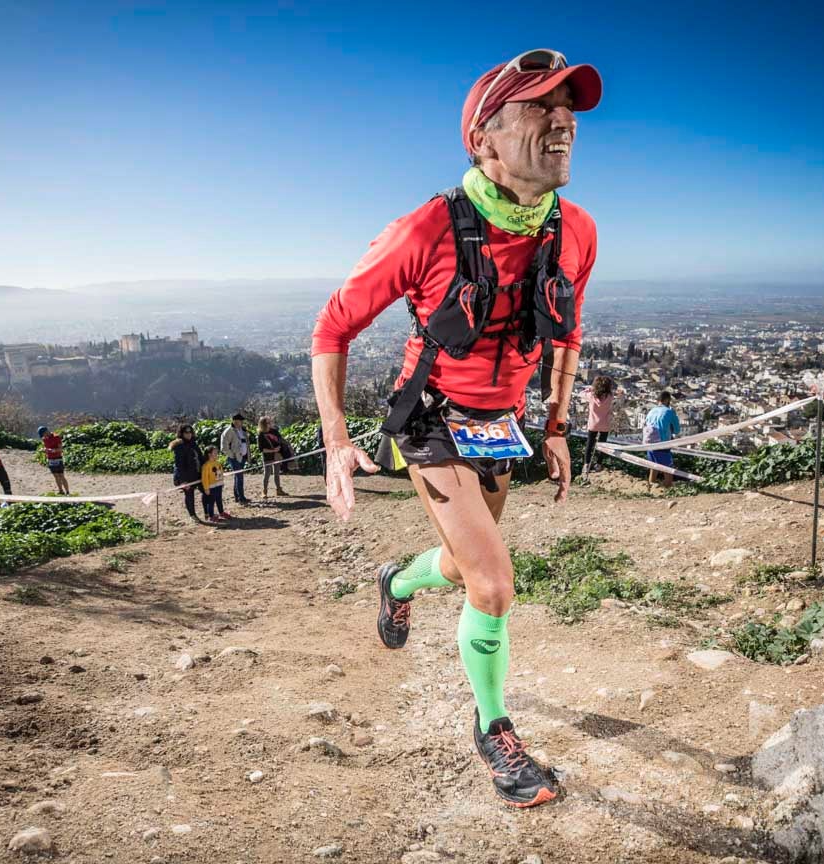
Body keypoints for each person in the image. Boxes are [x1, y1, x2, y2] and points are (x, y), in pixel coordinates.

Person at [310, 49, 600, 808]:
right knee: (495, 586)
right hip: (432, 420)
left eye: (566, 107)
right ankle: (494, 731)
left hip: (499, 424)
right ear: (485, 139)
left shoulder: (579, 231)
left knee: (462, 564)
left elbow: (564, 333)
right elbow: (333, 327)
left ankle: (396, 582)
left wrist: (560, 425)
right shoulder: (428, 228)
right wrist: (337, 438)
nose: (563, 120)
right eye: (540, 107)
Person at [643, 391, 681, 491]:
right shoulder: (669, 412)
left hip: (649, 443)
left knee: (654, 467)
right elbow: (677, 430)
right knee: (668, 470)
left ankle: (650, 489)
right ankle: (668, 490)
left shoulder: (651, 411)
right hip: (662, 443)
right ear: (667, 400)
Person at [581, 374, 616, 478]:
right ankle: (598, 464)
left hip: (593, 425)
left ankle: (586, 464)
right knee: (602, 445)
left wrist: (590, 389)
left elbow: (581, 393)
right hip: (605, 424)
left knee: (590, 444)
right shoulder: (610, 397)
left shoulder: (592, 396)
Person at [169, 424, 205, 521]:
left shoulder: (194, 444)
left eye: (190, 432)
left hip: (197, 474)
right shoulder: (179, 446)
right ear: (181, 434)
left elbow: (201, 458)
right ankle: (192, 515)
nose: (189, 434)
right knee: (189, 495)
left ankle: (208, 513)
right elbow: (179, 465)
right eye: (186, 432)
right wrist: (183, 481)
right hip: (185, 476)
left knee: (206, 491)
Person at [219, 413, 252, 505]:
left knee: (238, 477)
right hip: (234, 458)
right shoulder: (228, 431)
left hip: (242, 457)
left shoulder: (243, 430)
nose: (240, 422)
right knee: (239, 477)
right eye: (238, 421)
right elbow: (224, 447)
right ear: (233, 421)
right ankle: (241, 498)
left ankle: (237, 496)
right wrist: (232, 455)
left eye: (241, 421)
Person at [257, 416, 287, 498]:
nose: (271, 423)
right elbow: (261, 449)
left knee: (277, 473)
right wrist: (273, 450)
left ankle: (279, 490)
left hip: (276, 456)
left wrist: (280, 448)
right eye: (268, 422)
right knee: (267, 474)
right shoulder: (261, 435)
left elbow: (280, 441)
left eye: (270, 422)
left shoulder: (275, 431)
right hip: (267, 457)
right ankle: (264, 491)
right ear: (263, 424)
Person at [200, 446, 232, 522]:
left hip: (218, 486)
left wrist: (222, 482)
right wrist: (206, 488)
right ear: (209, 454)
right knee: (211, 502)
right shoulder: (206, 465)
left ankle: (221, 512)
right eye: (215, 453)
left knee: (219, 500)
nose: (217, 454)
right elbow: (205, 478)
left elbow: (221, 473)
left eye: (217, 453)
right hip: (211, 487)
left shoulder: (218, 463)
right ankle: (211, 516)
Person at [39, 426, 69, 495]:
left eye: (43, 434)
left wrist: (53, 450)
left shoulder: (56, 437)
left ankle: (67, 492)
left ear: (46, 432)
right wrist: (44, 450)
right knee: (55, 476)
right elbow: (46, 447)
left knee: (61, 475)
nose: (43, 436)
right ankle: (61, 491)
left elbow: (61, 449)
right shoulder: (44, 439)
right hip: (50, 459)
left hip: (58, 458)